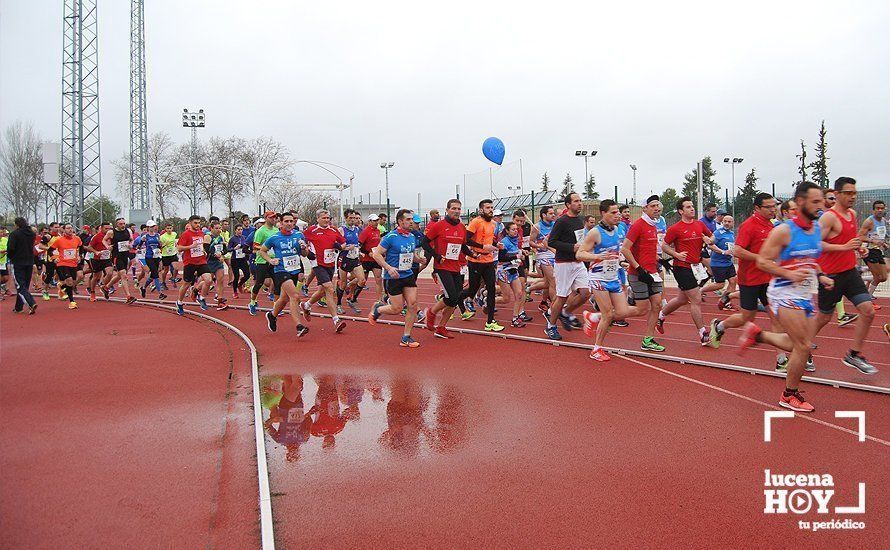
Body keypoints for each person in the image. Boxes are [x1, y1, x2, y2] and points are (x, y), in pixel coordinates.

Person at [737, 182, 835, 412]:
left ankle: (758, 335)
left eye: (822, 201)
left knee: (795, 343)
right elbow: (762, 261)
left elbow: (812, 259)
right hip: (782, 291)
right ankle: (789, 395)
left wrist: (821, 276)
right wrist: (788, 273)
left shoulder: (816, 229)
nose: (821, 206)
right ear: (800, 202)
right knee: (803, 345)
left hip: (803, 293)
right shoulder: (783, 231)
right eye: (816, 202)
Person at [811, 177, 877, 374]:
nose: (853, 197)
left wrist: (859, 248)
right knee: (823, 318)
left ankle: (853, 354)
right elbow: (815, 245)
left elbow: (850, 239)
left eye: (854, 193)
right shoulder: (828, 218)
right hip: (830, 276)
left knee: (868, 311)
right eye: (848, 193)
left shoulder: (853, 214)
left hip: (849, 272)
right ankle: (802, 346)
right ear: (837, 194)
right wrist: (844, 247)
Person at [578, 200, 650, 361]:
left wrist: (621, 262)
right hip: (598, 277)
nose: (617, 215)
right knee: (608, 314)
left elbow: (615, 253)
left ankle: (593, 317)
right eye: (613, 212)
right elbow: (580, 254)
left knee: (623, 312)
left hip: (613, 276)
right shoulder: (595, 233)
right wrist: (596, 256)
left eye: (618, 212)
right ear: (603, 214)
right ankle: (596, 349)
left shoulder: (617, 230)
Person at [709, 194, 782, 352]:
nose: (773, 209)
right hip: (750, 278)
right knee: (746, 318)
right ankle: (719, 326)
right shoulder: (749, 225)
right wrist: (760, 259)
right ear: (757, 208)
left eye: (774, 206)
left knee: (776, 316)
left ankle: (781, 359)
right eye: (768, 207)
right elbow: (738, 251)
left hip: (768, 278)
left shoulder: (771, 226)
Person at [658, 196, 714, 345]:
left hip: (696, 267)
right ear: (681, 211)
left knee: (682, 299)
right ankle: (703, 333)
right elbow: (664, 245)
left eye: (692, 206)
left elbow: (712, 237)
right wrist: (676, 254)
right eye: (688, 207)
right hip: (682, 267)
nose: (692, 208)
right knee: (695, 299)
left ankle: (661, 316)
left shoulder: (699, 225)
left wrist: (710, 240)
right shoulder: (675, 228)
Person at [369, 209, 422, 347]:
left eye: (412, 220)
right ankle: (378, 309)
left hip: (408, 275)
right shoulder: (390, 237)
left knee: (412, 304)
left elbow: (410, 254)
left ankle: (406, 337)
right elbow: (377, 254)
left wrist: (419, 259)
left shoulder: (411, 236)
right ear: (400, 221)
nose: (411, 222)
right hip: (393, 277)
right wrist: (388, 268)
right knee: (397, 309)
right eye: (408, 220)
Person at [422, 198, 473, 338]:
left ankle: (441, 327)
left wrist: (472, 254)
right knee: (450, 298)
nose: (456, 211)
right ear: (447, 210)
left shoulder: (462, 227)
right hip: (442, 267)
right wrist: (436, 256)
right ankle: (431, 312)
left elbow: (462, 245)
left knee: (455, 299)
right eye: (453, 208)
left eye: (458, 209)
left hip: (456, 267)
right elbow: (424, 242)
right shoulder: (438, 225)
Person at [621, 195, 666, 352]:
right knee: (641, 309)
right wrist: (638, 268)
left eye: (658, 206)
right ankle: (603, 317)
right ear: (644, 208)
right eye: (652, 206)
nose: (656, 208)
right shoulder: (638, 225)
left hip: (652, 273)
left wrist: (660, 260)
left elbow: (648, 250)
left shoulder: (653, 225)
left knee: (657, 304)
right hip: (638, 273)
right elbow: (625, 249)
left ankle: (648, 339)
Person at [544, 193, 590, 340]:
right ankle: (551, 326)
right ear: (568, 205)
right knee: (562, 297)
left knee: (585, 293)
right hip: (564, 264)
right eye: (576, 201)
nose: (580, 203)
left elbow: (580, 240)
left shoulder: (580, 220)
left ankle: (565, 312)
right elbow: (551, 242)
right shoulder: (561, 221)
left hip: (578, 263)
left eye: (580, 201)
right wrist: (572, 247)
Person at [259, 211, 311, 338]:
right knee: (295, 296)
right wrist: (270, 260)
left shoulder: (299, 235)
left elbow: (305, 254)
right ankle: (299, 326)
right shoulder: (275, 238)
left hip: (295, 269)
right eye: (286, 221)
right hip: (281, 270)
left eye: (291, 221)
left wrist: (304, 248)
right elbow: (262, 251)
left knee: (284, 298)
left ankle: (272, 315)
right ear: (280, 223)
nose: (289, 223)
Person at [458, 199, 504, 332]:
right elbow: (466, 240)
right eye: (488, 207)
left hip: (489, 260)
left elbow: (489, 240)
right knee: (472, 289)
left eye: (492, 207)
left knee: (491, 289)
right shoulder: (476, 222)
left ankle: (490, 322)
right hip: (476, 261)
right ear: (481, 210)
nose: (490, 210)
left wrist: (496, 245)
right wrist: (483, 247)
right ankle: (450, 298)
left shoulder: (494, 223)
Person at [302, 209, 347, 333]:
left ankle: (306, 305)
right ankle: (336, 320)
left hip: (330, 263)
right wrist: (307, 252)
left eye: (328, 218)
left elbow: (343, 243)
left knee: (322, 291)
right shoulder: (311, 231)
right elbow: (301, 241)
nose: (327, 220)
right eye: (324, 218)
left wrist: (338, 246)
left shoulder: (333, 230)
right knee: (330, 288)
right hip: (317, 263)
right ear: (318, 219)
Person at [175, 215, 213, 315]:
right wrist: (191, 246)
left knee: (209, 279)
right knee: (186, 284)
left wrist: (203, 251)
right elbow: (179, 248)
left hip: (201, 261)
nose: (197, 225)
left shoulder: (201, 233)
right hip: (190, 262)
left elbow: (200, 246)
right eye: (195, 223)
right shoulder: (186, 234)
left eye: (199, 223)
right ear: (190, 222)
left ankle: (202, 298)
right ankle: (179, 302)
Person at [495, 222, 531, 327]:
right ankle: (488, 301)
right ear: (507, 231)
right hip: (504, 271)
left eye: (516, 229)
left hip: (513, 271)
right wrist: (516, 256)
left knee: (519, 294)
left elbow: (515, 252)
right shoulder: (504, 242)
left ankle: (515, 319)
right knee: (506, 299)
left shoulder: (515, 240)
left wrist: (522, 252)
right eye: (513, 229)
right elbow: (501, 258)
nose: (516, 231)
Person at [704, 214, 739, 310]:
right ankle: (700, 291)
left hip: (728, 262)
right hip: (718, 263)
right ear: (722, 222)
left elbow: (730, 247)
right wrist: (723, 252)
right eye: (725, 221)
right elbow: (710, 245)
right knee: (720, 284)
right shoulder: (718, 232)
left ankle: (725, 301)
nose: (727, 223)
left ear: (733, 223)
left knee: (733, 281)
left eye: (729, 221)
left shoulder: (731, 234)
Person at [248, 211, 280, 315]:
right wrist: (266, 247)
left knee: (277, 284)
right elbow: (255, 246)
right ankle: (252, 303)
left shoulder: (276, 230)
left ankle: (276, 307)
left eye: (275, 218)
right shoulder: (260, 231)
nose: (273, 219)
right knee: (259, 284)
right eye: (271, 218)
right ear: (266, 218)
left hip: (274, 261)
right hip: (262, 261)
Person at [336, 209, 365, 315]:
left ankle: (352, 300)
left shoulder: (358, 229)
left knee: (362, 280)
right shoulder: (341, 230)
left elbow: (359, 243)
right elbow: (336, 246)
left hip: (355, 259)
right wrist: (346, 248)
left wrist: (359, 250)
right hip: (344, 259)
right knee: (342, 284)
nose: (353, 220)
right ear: (345, 218)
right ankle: (338, 304)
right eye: (350, 218)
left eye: (354, 218)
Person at [101, 217, 137, 304]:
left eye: (124, 223)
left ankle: (106, 287)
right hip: (117, 256)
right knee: (123, 276)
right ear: (117, 224)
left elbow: (131, 240)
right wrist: (107, 247)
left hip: (125, 254)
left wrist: (131, 245)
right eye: (121, 224)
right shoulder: (111, 232)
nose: (123, 225)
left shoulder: (128, 231)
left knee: (119, 275)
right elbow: (104, 240)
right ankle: (128, 297)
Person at [7, 217, 38, 314]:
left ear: (17, 224)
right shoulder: (32, 234)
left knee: (20, 284)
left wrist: (11, 257)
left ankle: (30, 302)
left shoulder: (14, 234)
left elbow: (11, 248)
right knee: (25, 284)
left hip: (18, 261)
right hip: (29, 261)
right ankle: (18, 307)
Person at [49, 223, 82, 309]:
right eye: (68, 228)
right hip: (62, 263)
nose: (70, 230)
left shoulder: (77, 239)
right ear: (64, 230)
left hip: (73, 263)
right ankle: (72, 302)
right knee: (70, 281)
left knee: (73, 282)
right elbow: (50, 250)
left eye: (71, 228)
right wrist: (53, 258)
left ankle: (62, 286)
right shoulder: (59, 240)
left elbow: (80, 247)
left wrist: (79, 256)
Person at [859, 200, 887, 301]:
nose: (880, 210)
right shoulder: (869, 222)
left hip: (878, 250)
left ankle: (861, 272)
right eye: (877, 208)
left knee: (883, 277)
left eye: (882, 208)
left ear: (885, 209)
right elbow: (860, 236)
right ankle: (868, 297)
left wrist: (884, 244)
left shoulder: (883, 220)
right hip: (868, 250)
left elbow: (880, 236)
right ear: (873, 210)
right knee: (878, 277)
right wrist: (873, 240)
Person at [133, 220, 167, 300]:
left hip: (156, 256)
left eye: (153, 226)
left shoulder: (157, 235)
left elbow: (159, 245)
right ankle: (160, 293)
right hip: (149, 257)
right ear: (148, 227)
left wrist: (161, 246)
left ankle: (143, 287)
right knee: (156, 275)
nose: (153, 228)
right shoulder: (145, 236)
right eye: (151, 227)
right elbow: (138, 246)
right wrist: (140, 249)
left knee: (153, 275)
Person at [358, 214, 384, 307]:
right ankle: (351, 290)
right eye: (374, 220)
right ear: (369, 222)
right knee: (362, 280)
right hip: (366, 260)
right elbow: (360, 245)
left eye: (377, 220)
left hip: (376, 259)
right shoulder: (365, 232)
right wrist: (368, 252)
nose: (376, 222)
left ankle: (379, 300)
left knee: (378, 278)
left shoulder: (378, 231)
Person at [206, 221, 229, 311]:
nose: (219, 230)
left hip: (218, 262)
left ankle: (220, 301)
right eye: (216, 228)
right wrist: (216, 255)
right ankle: (196, 290)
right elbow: (207, 251)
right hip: (209, 262)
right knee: (208, 281)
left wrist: (221, 254)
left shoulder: (221, 238)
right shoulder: (208, 237)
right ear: (211, 228)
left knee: (220, 280)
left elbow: (225, 250)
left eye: (220, 228)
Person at [228, 225, 250, 299]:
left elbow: (246, 247)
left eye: (241, 229)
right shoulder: (232, 239)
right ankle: (235, 292)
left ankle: (240, 284)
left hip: (242, 259)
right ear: (235, 230)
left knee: (247, 274)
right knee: (236, 276)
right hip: (235, 259)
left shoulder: (244, 238)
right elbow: (228, 249)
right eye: (238, 229)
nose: (240, 231)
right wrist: (234, 248)